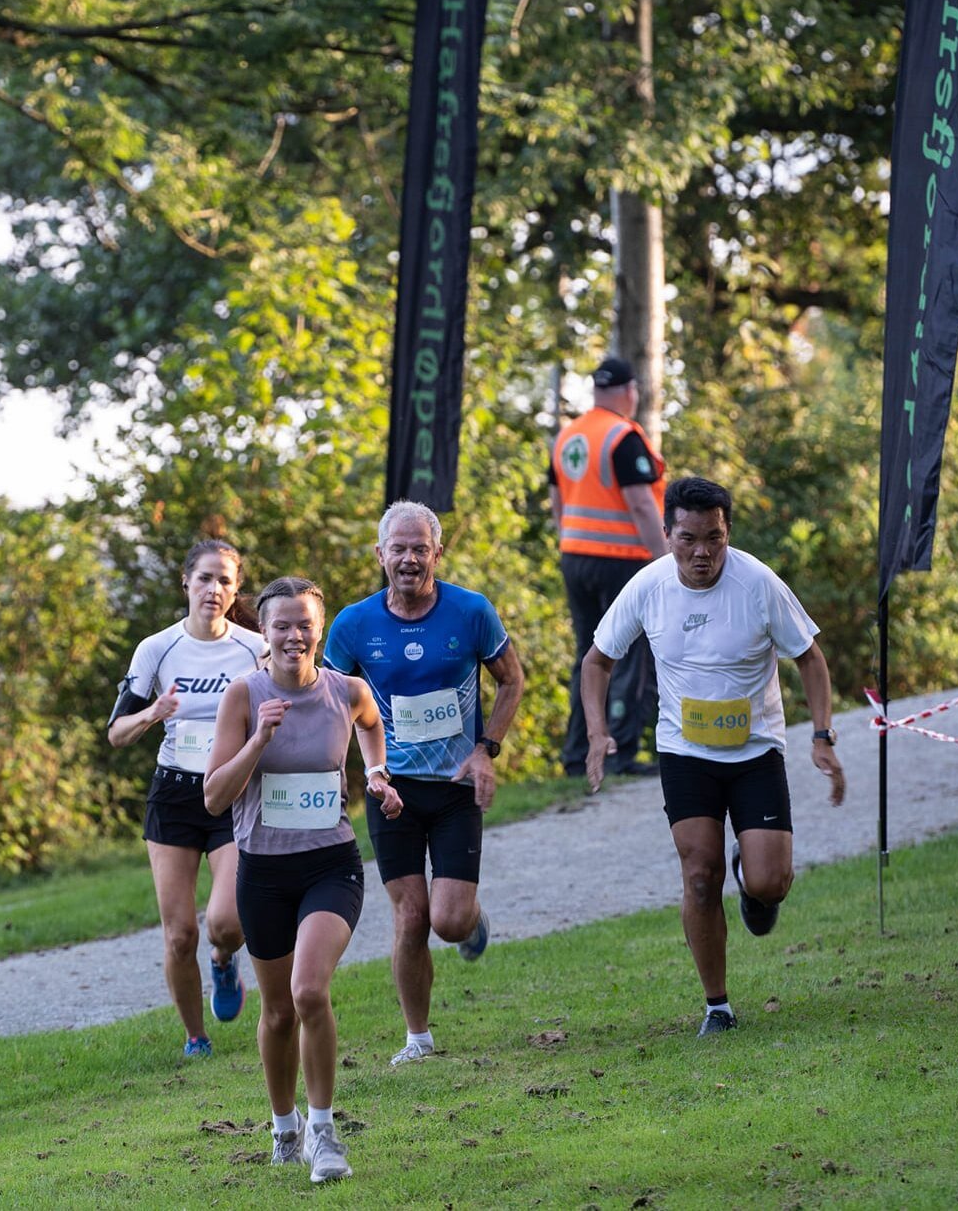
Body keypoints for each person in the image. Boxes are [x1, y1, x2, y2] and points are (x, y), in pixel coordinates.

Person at [581, 476, 846, 1037]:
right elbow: (597, 661)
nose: (701, 553)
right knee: (698, 875)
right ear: (667, 533)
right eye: (688, 539)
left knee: (771, 881)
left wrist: (822, 736)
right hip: (685, 751)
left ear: (727, 533)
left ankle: (753, 884)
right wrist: (598, 732)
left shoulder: (758, 584)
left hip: (754, 752)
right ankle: (717, 1006)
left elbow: (811, 660)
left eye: (714, 539)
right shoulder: (648, 586)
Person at [204, 576, 402, 1183]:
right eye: (281, 625)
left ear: (320, 629)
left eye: (304, 624)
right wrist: (260, 736)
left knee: (309, 991)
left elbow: (372, 724)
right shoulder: (244, 695)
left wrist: (375, 773)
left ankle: (323, 1130)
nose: (294, 635)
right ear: (262, 632)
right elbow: (214, 797)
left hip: (330, 865)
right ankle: (283, 1125)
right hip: (262, 870)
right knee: (279, 1012)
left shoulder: (347, 690)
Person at [323, 500, 525, 1067]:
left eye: (420, 548)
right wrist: (346, 774)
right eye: (398, 548)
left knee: (450, 919)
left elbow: (512, 681)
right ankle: (418, 1039)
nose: (409, 559)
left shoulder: (471, 612)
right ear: (380, 554)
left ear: (438, 553)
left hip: (457, 785)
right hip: (392, 792)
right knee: (411, 916)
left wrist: (487, 750)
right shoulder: (354, 625)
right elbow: (331, 705)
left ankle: (469, 917)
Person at [107, 539, 266, 1059]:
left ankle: (224, 960)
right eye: (205, 579)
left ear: (236, 589)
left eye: (224, 580)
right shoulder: (157, 649)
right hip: (174, 795)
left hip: (233, 793)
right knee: (179, 936)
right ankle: (196, 1038)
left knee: (227, 921)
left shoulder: (254, 648)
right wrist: (155, 712)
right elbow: (116, 733)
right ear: (186, 584)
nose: (214, 589)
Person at [550, 355, 667, 777]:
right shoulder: (623, 437)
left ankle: (577, 754)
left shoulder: (568, 437)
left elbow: (557, 503)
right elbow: (640, 503)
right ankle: (620, 752)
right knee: (629, 653)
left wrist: (570, 544)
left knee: (589, 654)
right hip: (622, 561)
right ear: (630, 392)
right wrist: (667, 562)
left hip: (575, 557)